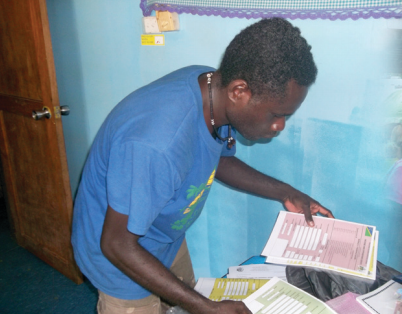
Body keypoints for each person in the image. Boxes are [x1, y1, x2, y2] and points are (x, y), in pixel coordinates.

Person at [71, 18, 334, 314]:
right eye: (277, 113)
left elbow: (216, 157)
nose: (280, 126)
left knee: (186, 303)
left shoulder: (210, 87)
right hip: (122, 261)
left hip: (163, 237)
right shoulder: (155, 144)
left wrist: (285, 192)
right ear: (239, 92)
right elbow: (117, 244)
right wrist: (206, 308)